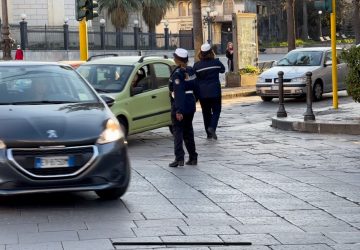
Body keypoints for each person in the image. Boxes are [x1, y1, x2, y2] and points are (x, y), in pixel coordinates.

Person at [168, 48, 198, 168]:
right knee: (188, 132)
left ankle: (179, 158)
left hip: (180, 105)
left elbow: (179, 92)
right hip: (190, 104)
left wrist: (179, 110)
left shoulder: (177, 73)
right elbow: (196, 86)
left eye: (175, 57)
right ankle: (193, 157)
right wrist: (194, 100)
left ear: (177, 59)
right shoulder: (191, 71)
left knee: (178, 132)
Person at [193, 43, 225, 140]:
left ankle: (208, 134)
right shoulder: (216, 62)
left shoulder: (197, 65)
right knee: (216, 110)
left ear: (201, 53)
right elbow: (223, 70)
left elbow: (194, 78)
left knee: (205, 113)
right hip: (215, 91)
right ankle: (212, 127)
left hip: (202, 93)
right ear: (211, 52)